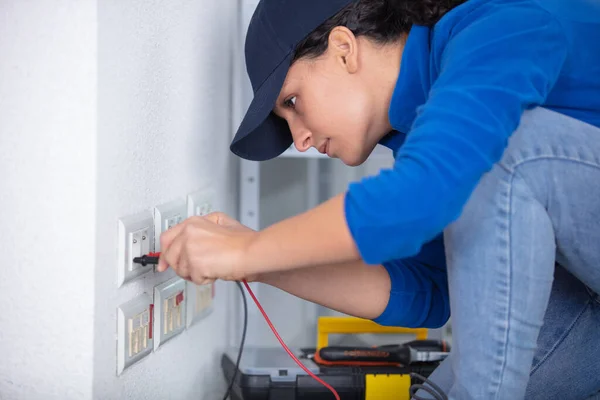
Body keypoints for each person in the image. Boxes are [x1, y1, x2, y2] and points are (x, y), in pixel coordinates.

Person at [157, 0, 600, 398]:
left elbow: (425, 192)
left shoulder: (501, 22)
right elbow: (429, 289)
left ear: (344, 48)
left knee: (507, 155)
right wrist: (259, 264)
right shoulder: (421, 128)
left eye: (292, 101)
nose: (301, 139)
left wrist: (246, 251)